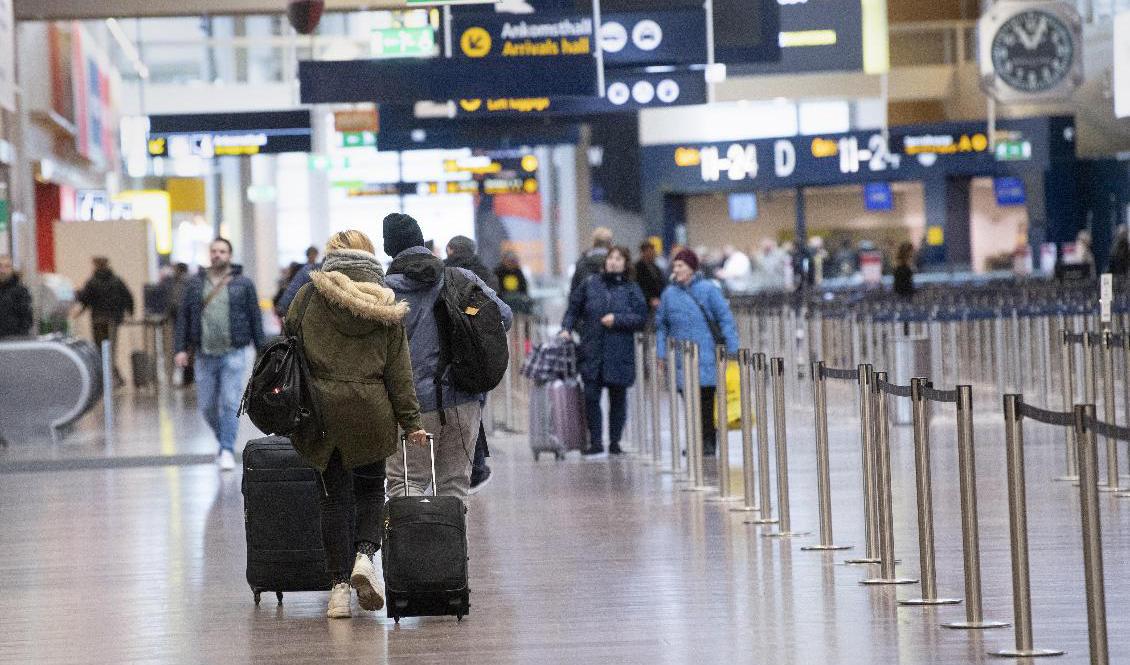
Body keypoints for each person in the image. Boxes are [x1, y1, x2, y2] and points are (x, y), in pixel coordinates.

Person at [285, 229, 427, 620]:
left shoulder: (309, 296)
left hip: (323, 412)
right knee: (369, 490)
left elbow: (288, 343)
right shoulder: (384, 300)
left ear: (332, 254)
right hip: (372, 411)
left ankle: (337, 592)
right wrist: (411, 421)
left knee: (333, 499)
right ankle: (365, 556)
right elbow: (400, 372)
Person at [382, 213, 513, 500]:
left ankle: (412, 546)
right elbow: (504, 316)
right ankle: (451, 547)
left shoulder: (386, 291)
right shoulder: (460, 277)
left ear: (389, 248)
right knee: (454, 486)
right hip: (463, 400)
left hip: (412, 408)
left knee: (407, 483)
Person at [174, 238, 266, 471]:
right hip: (204, 353)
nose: (217, 255)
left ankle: (226, 448)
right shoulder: (195, 284)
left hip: (234, 352)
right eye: (214, 251)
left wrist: (262, 351)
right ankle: (223, 438)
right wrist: (180, 349)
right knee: (206, 406)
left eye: (222, 251)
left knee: (228, 402)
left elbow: (255, 317)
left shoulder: (243, 284)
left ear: (230, 255)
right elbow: (183, 318)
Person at [559, 246, 648, 457]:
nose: (613, 262)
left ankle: (615, 442)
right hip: (592, 349)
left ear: (626, 264)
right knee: (591, 396)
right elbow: (573, 308)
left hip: (619, 351)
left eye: (619, 258)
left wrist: (618, 320)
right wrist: (566, 328)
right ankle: (596, 441)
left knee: (618, 398)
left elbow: (641, 317)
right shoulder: (590, 284)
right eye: (611, 258)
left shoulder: (631, 288)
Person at [655, 248, 739, 457]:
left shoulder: (708, 290)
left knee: (706, 402)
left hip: (706, 354)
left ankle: (709, 441)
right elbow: (661, 326)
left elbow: (725, 318)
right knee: (689, 402)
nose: (677, 269)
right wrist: (661, 352)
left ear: (692, 268)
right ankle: (695, 441)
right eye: (675, 266)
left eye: (681, 265)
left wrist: (732, 348)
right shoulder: (669, 294)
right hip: (681, 357)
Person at [442, 235, 498, 493]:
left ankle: (466, 470)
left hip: (450, 354)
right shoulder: (485, 275)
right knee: (475, 411)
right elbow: (502, 314)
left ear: (450, 250)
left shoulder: (443, 273)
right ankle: (476, 470)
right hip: (482, 355)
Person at [74, 257, 135, 387]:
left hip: (98, 320)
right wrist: (130, 313)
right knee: (111, 348)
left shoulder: (92, 282)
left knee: (100, 349)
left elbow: (85, 299)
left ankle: (107, 378)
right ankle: (113, 377)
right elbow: (128, 297)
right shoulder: (117, 281)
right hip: (112, 319)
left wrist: (78, 307)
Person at [569, 227, 613, 295]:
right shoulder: (616, 263)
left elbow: (574, 292)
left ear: (593, 242)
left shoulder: (581, 262)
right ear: (610, 243)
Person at [0, 256, 33, 338]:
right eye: (0, 266)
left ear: (12, 269)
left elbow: (26, 318)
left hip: (14, 341)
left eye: (7, 266)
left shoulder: (20, 291)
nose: (2, 270)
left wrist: (20, 337)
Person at [635, 241, 665, 312]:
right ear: (643, 252)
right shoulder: (637, 268)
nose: (653, 254)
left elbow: (661, 283)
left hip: (659, 301)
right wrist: (649, 299)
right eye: (650, 251)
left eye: (653, 251)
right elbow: (638, 286)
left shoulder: (656, 267)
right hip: (646, 304)